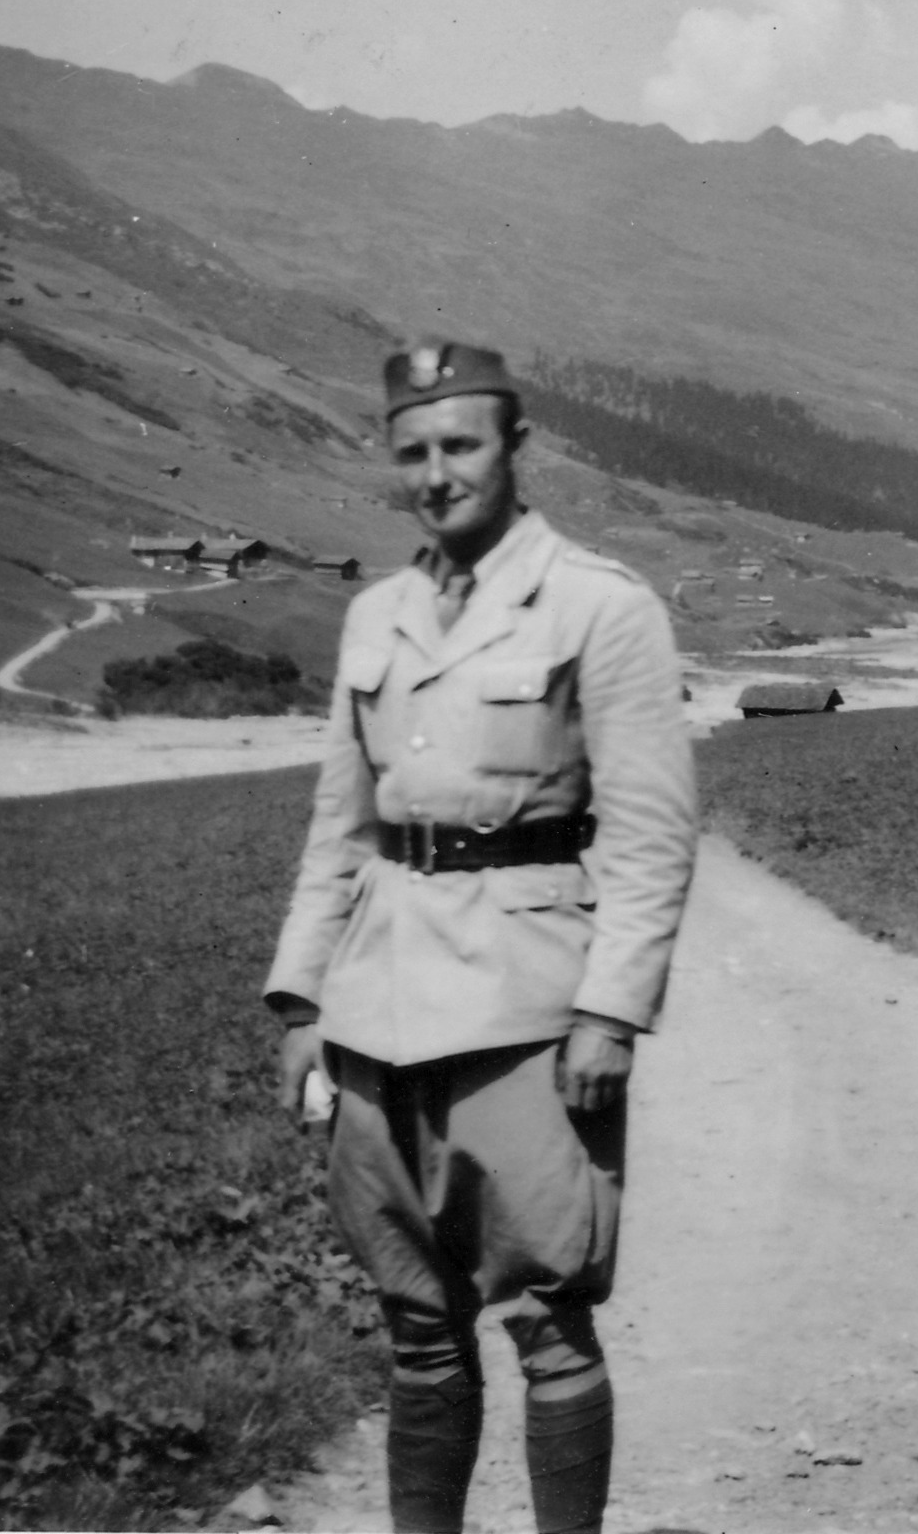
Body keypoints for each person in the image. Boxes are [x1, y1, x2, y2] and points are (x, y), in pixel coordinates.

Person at [266, 342, 697, 1534]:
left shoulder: (599, 605)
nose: (436, 474)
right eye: (412, 451)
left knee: (548, 1320)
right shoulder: (377, 614)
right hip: (377, 1008)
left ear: (516, 448)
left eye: (460, 445)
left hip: (525, 1007)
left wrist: (611, 1011)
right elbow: (340, 826)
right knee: (416, 1323)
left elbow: (653, 829)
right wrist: (301, 1002)